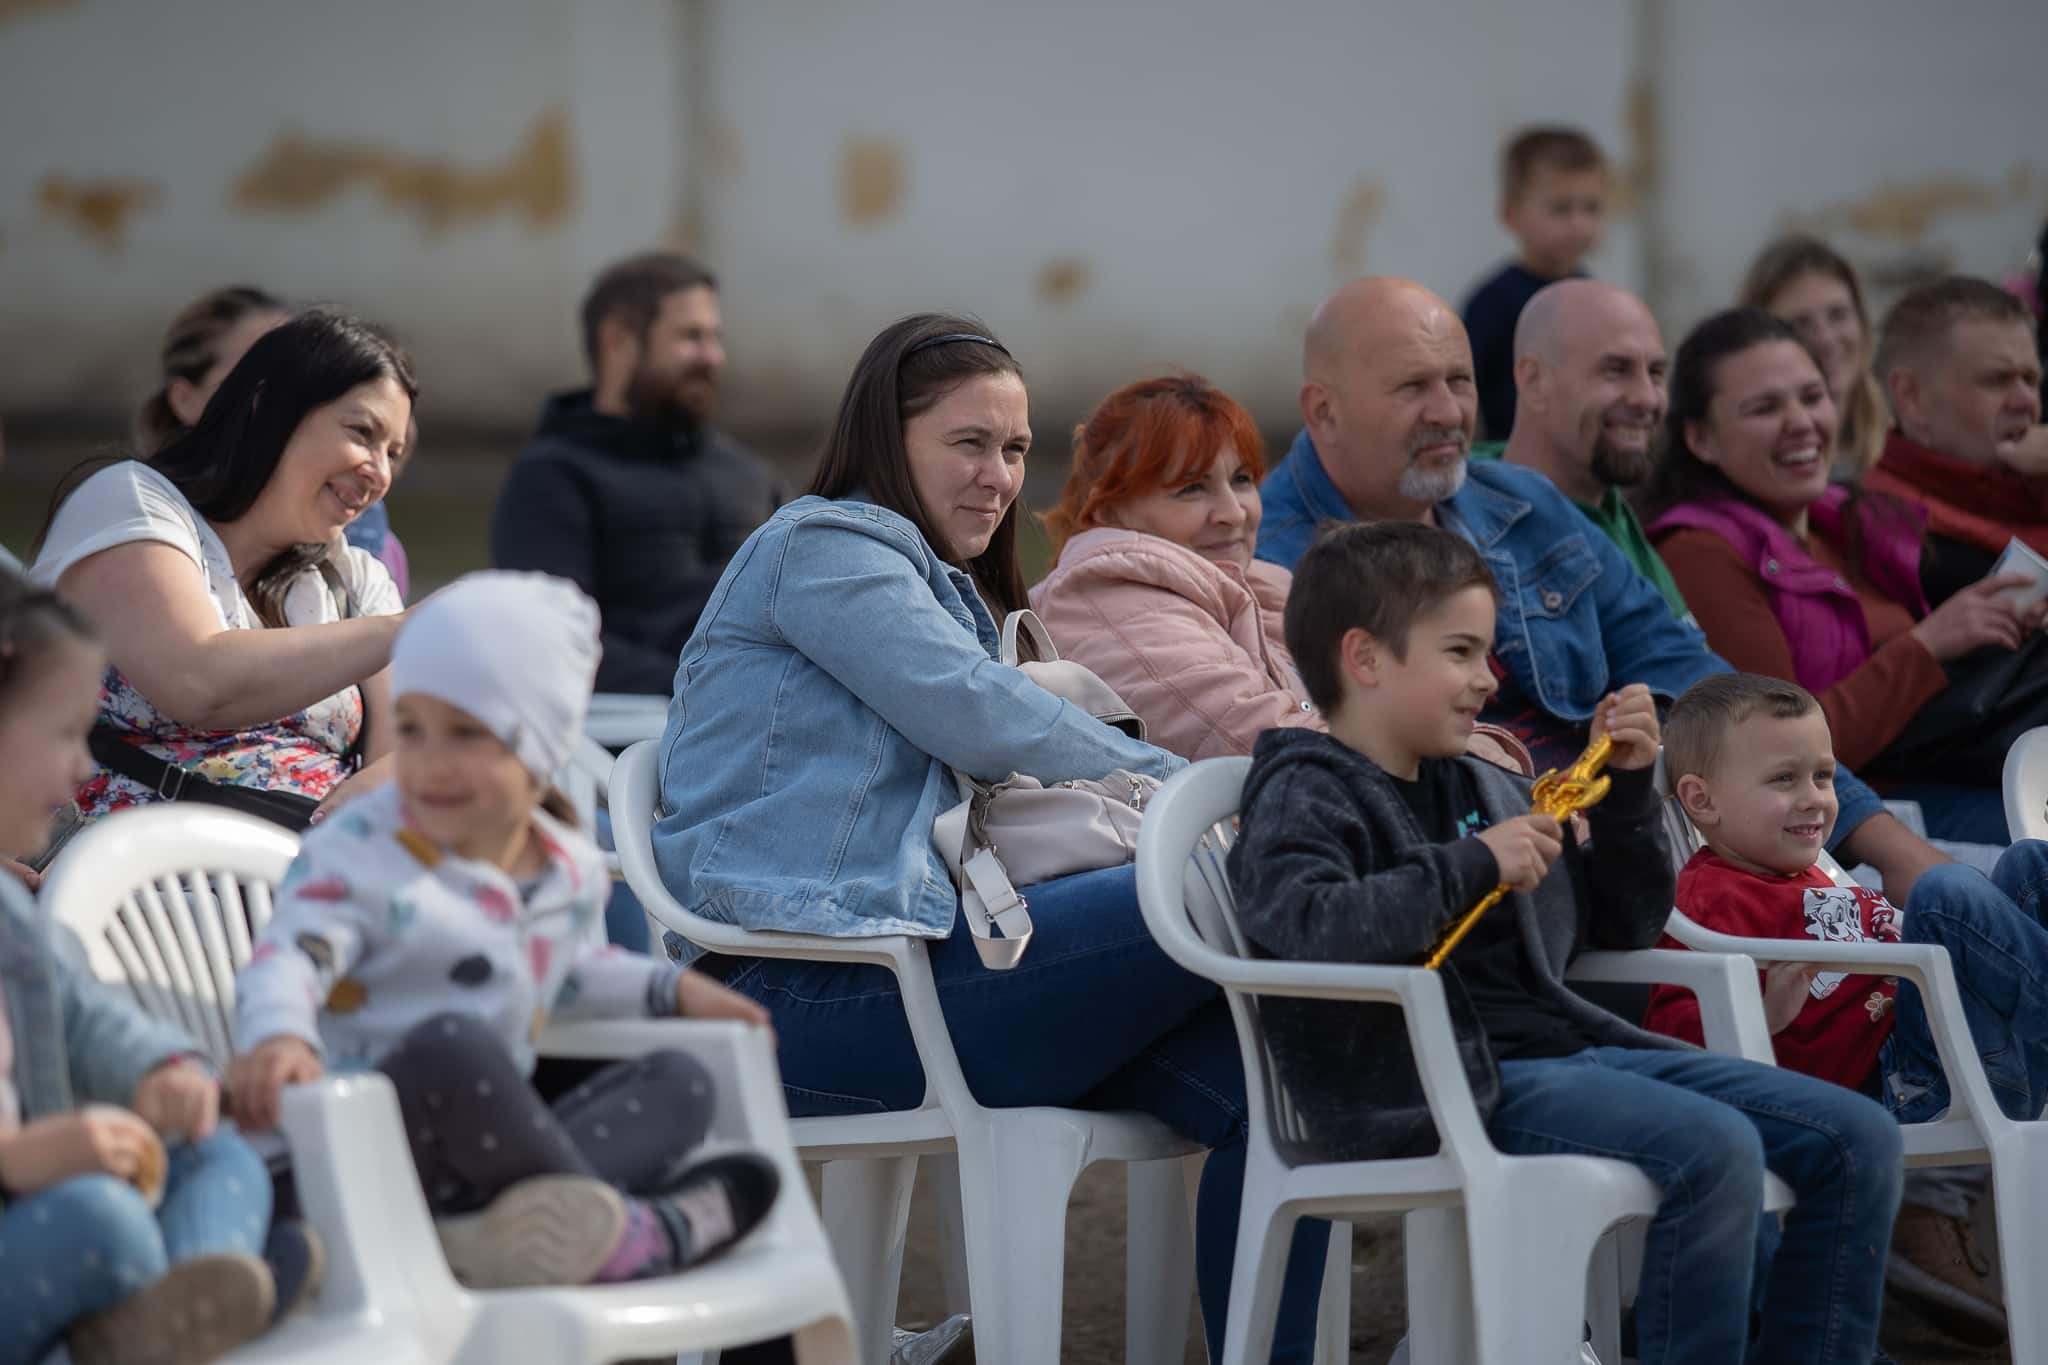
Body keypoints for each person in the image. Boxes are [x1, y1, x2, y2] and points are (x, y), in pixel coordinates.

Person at [652, 314, 1325, 1361]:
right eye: (968, 442)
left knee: (1291, 1093)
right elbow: (976, 711)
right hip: (799, 996)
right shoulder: (822, 547)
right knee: (1223, 886)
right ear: (886, 436)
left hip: (923, 977)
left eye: (1014, 449)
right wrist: (1191, 787)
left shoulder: (940, 585)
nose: (999, 476)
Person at [1229, 522, 1903, 1365]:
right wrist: (1473, 863)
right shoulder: (1305, 788)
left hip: (1563, 1052)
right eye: (1461, 652)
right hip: (1435, 1087)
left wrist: (1626, 792)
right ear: (1364, 658)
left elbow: (1621, 924)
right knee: (1716, 1149)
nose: (1488, 678)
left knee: (1859, 1139)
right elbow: (1304, 926)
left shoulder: (1480, 782)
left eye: (1486, 652)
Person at [1257, 275, 1954, 903]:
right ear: (1323, 411)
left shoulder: (1526, 506)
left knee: (1954, 902)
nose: (1447, 411)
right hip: (1493, 902)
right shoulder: (1264, 556)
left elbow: (1700, 682)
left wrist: (1889, 848)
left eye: (1459, 382)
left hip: (1648, 863)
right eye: (1412, 387)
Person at [228, 572, 779, 1288]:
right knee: (451, 1045)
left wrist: (670, 991)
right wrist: (279, 1033)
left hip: (478, 1172)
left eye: (467, 734)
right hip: (343, 1161)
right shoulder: (359, 849)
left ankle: (509, 1233)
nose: (431, 763)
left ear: (539, 750)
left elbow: (565, 974)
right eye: (412, 730)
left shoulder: (565, 869)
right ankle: (631, 1233)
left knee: (683, 1077)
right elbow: (291, 955)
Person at [1647, 672, 2048, 1340]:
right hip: (1902, 1085)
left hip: (1963, 1048)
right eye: (1784, 780)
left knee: (2030, 865)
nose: (1814, 798)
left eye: (1824, 776)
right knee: (1945, 893)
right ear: (1702, 800)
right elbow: (1672, 1033)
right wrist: (1763, 1012)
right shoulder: (1713, 898)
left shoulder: (1816, 874)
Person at [0, 568, 279, 1365]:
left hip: (44, 1221)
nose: (85, 770)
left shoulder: (9, 914)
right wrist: (15, 1159)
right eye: (64, 735)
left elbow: (84, 1015)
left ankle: (178, 1309)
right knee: (105, 1220)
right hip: (52, 1220)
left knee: (221, 1157)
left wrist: (163, 1065)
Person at [1641, 308, 2039, 844]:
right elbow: (1772, 750)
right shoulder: (1700, 553)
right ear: (1700, 439)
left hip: (1946, 775)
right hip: (1859, 826)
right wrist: (1928, 645)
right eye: (1765, 408)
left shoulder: (1850, 520)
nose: (1801, 422)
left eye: (1813, 396)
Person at [30, 310, 410, 834]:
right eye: (362, 432)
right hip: (129, 868)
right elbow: (198, 682)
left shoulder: (354, 577)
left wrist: (390, 779)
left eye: (394, 453)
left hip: (310, 867)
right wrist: (406, 628)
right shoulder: (128, 499)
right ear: (268, 405)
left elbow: (409, 744)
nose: (380, 472)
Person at [1030, 373, 1531, 770]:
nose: (1234, 512)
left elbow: (1387, 705)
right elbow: (1273, 744)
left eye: (1242, 480)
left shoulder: (1265, 584)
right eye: (1191, 489)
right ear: (1110, 511)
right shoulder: (1109, 598)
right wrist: (1486, 763)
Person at [492, 251, 785, 696]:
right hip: (627, 725)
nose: (713, 356)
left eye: (715, 337)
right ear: (619, 340)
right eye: (691, 337)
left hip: (772, 712)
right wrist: (704, 687)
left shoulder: (751, 475)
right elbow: (547, 639)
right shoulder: (551, 479)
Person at [137, 287, 410, 598]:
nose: (380, 473)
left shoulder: (356, 568)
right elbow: (188, 634)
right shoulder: (139, 501)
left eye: (393, 453)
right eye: (250, 365)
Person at [1476, 278, 1687, 620]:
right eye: (1615, 371)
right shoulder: (1471, 542)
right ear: (1534, 381)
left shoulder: (1615, 513)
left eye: (1656, 373)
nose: (1647, 397)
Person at [1862, 276, 2047, 606]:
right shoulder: (1895, 541)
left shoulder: (2033, 491)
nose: (2026, 401)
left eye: (2031, 379)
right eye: (1996, 380)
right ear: (1912, 398)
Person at [1460, 126, 1608, 439]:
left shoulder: (1596, 298)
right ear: (1511, 214)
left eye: (1591, 208)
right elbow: (1465, 388)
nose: (1578, 224)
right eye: (1561, 209)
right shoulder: (1493, 302)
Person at [1739, 237, 1893, 480]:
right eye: (1800, 324)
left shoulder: (1904, 446)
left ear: (1862, 323)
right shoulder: (1749, 475)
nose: (1826, 339)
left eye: (1838, 315)